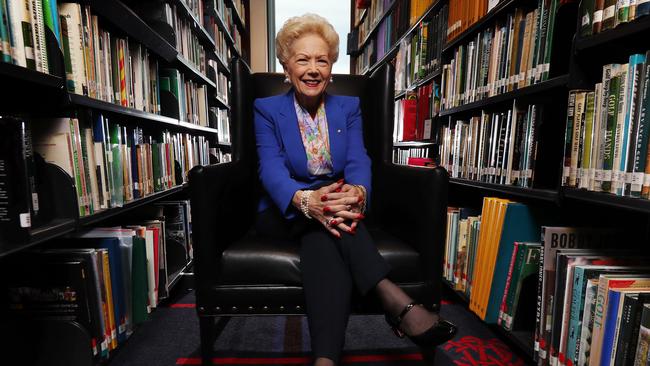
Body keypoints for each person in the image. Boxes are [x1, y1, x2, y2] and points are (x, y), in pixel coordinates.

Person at [253, 13, 456, 366]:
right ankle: (394, 299)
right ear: (286, 65)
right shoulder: (267, 109)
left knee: (323, 240)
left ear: (332, 66)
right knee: (328, 221)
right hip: (285, 208)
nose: (313, 69)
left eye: (322, 59)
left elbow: (360, 159)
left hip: (338, 203)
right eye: (302, 59)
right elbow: (269, 167)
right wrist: (305, 200)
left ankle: (325, 360)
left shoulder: (348, 106)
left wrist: (360, 192)